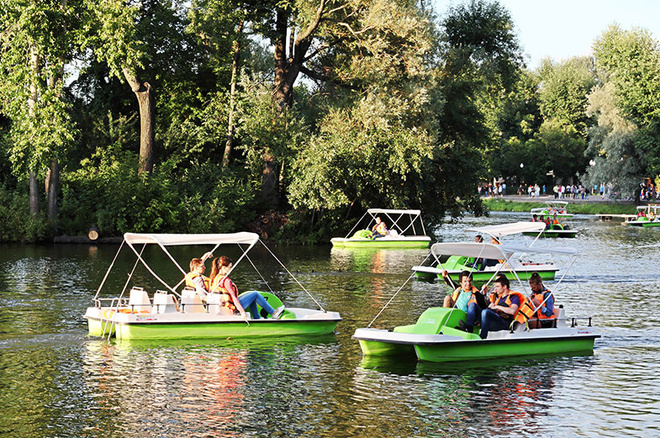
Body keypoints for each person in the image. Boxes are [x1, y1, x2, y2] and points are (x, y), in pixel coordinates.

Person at [209, 256, 285, 319]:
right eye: (229, 267)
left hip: (227, 306)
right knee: (255, 294)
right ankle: (273, 313)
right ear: (223, 267)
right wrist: (242, 312)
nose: (230, 270)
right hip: (233, 308)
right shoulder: (226, 281)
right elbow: (233, 297)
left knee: (251, 294)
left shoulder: (216, 278)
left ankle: (257, 318)